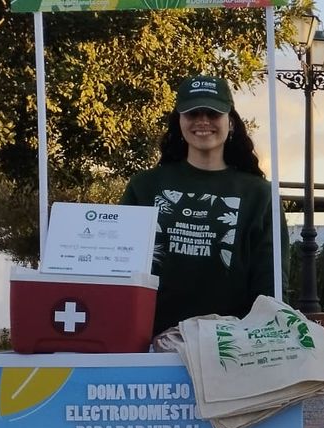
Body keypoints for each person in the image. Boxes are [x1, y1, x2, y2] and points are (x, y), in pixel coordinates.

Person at [121, 76, 284, 334]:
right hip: (152, 341)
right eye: (192, 113)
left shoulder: (259, 194)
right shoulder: (144, 187)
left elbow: (270, 281)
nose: (203, 121)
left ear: (230, 122)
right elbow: (122, 265)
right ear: (179, 121)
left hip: (230, 345)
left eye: (213, 113)